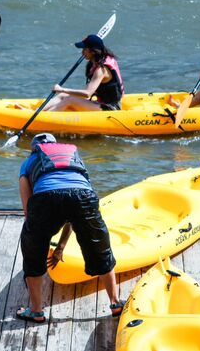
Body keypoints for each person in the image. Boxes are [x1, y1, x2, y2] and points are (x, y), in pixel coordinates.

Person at [16, 133, 122, 323]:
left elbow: (28, 211)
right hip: (83, 196)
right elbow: (74, 204)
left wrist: (39, 236)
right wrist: (61, 245)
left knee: (32, 250)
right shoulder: (73, 157)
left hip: (45, 199)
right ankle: (115, 303)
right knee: (101, 248)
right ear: (56, 146)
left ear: (34, 149)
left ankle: (36, 311)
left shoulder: (28, 163)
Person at [43, 34, 124, 111]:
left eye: (84, 49)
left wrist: (62, 89)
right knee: (62, 96)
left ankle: (42, 119)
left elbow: (88, 93)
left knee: (69, 100)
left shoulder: (101, 70)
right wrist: (62, 92)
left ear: (93, 51)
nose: (82, 52)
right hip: (100, 103)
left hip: (110, 108)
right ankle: (36, 112)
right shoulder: (96, 61)